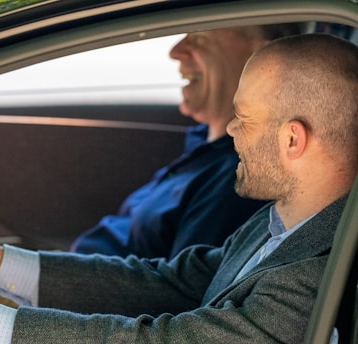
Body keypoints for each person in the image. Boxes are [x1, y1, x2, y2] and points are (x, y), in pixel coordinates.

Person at [0, 33, 358, 343]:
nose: (229, 131)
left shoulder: (317, 276)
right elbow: (172, 284)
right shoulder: (282, 223)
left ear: (293, 139)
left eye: (243, 120)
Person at [71, 25, 304, 259]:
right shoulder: (206, 144)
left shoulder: (242, 177)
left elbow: (175, 290)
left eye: (200, 35)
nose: (176, 51)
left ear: (264, 61)